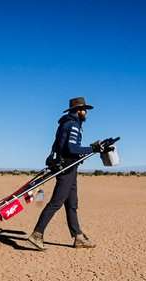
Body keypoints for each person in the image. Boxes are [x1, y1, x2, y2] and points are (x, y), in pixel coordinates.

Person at [27, 97, 103, 251]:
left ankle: (78, 237)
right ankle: (37, 234)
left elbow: (60, 145)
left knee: (72, 204)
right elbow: (72, 149)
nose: (86, 113)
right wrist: (92, 149)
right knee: (56, 202)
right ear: (78, 110)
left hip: (69, 168)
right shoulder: (73, 124)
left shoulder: (66, 123)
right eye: (84, 110)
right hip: (67, 167)